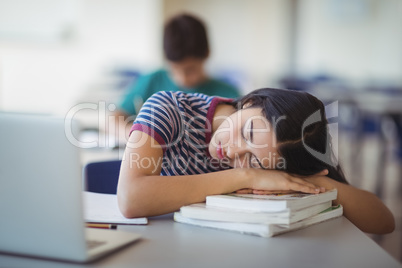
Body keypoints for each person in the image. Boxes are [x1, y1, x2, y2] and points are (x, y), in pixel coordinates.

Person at [117, 88, 395, 235]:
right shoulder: (168, 109)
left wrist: (310, 179)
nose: (234, 151)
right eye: (248, 131)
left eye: (254, 160)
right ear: (250, 102)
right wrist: (245, 176)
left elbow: (383, 222)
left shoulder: (275, 166)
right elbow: (131, 199)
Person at [116, 13, 240, 120]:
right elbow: (114, 118)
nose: (183, 78)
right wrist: (135, 137)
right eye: (174, 68)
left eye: (190, 69)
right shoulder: (152, 81)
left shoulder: (227, 95)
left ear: (207, 54)